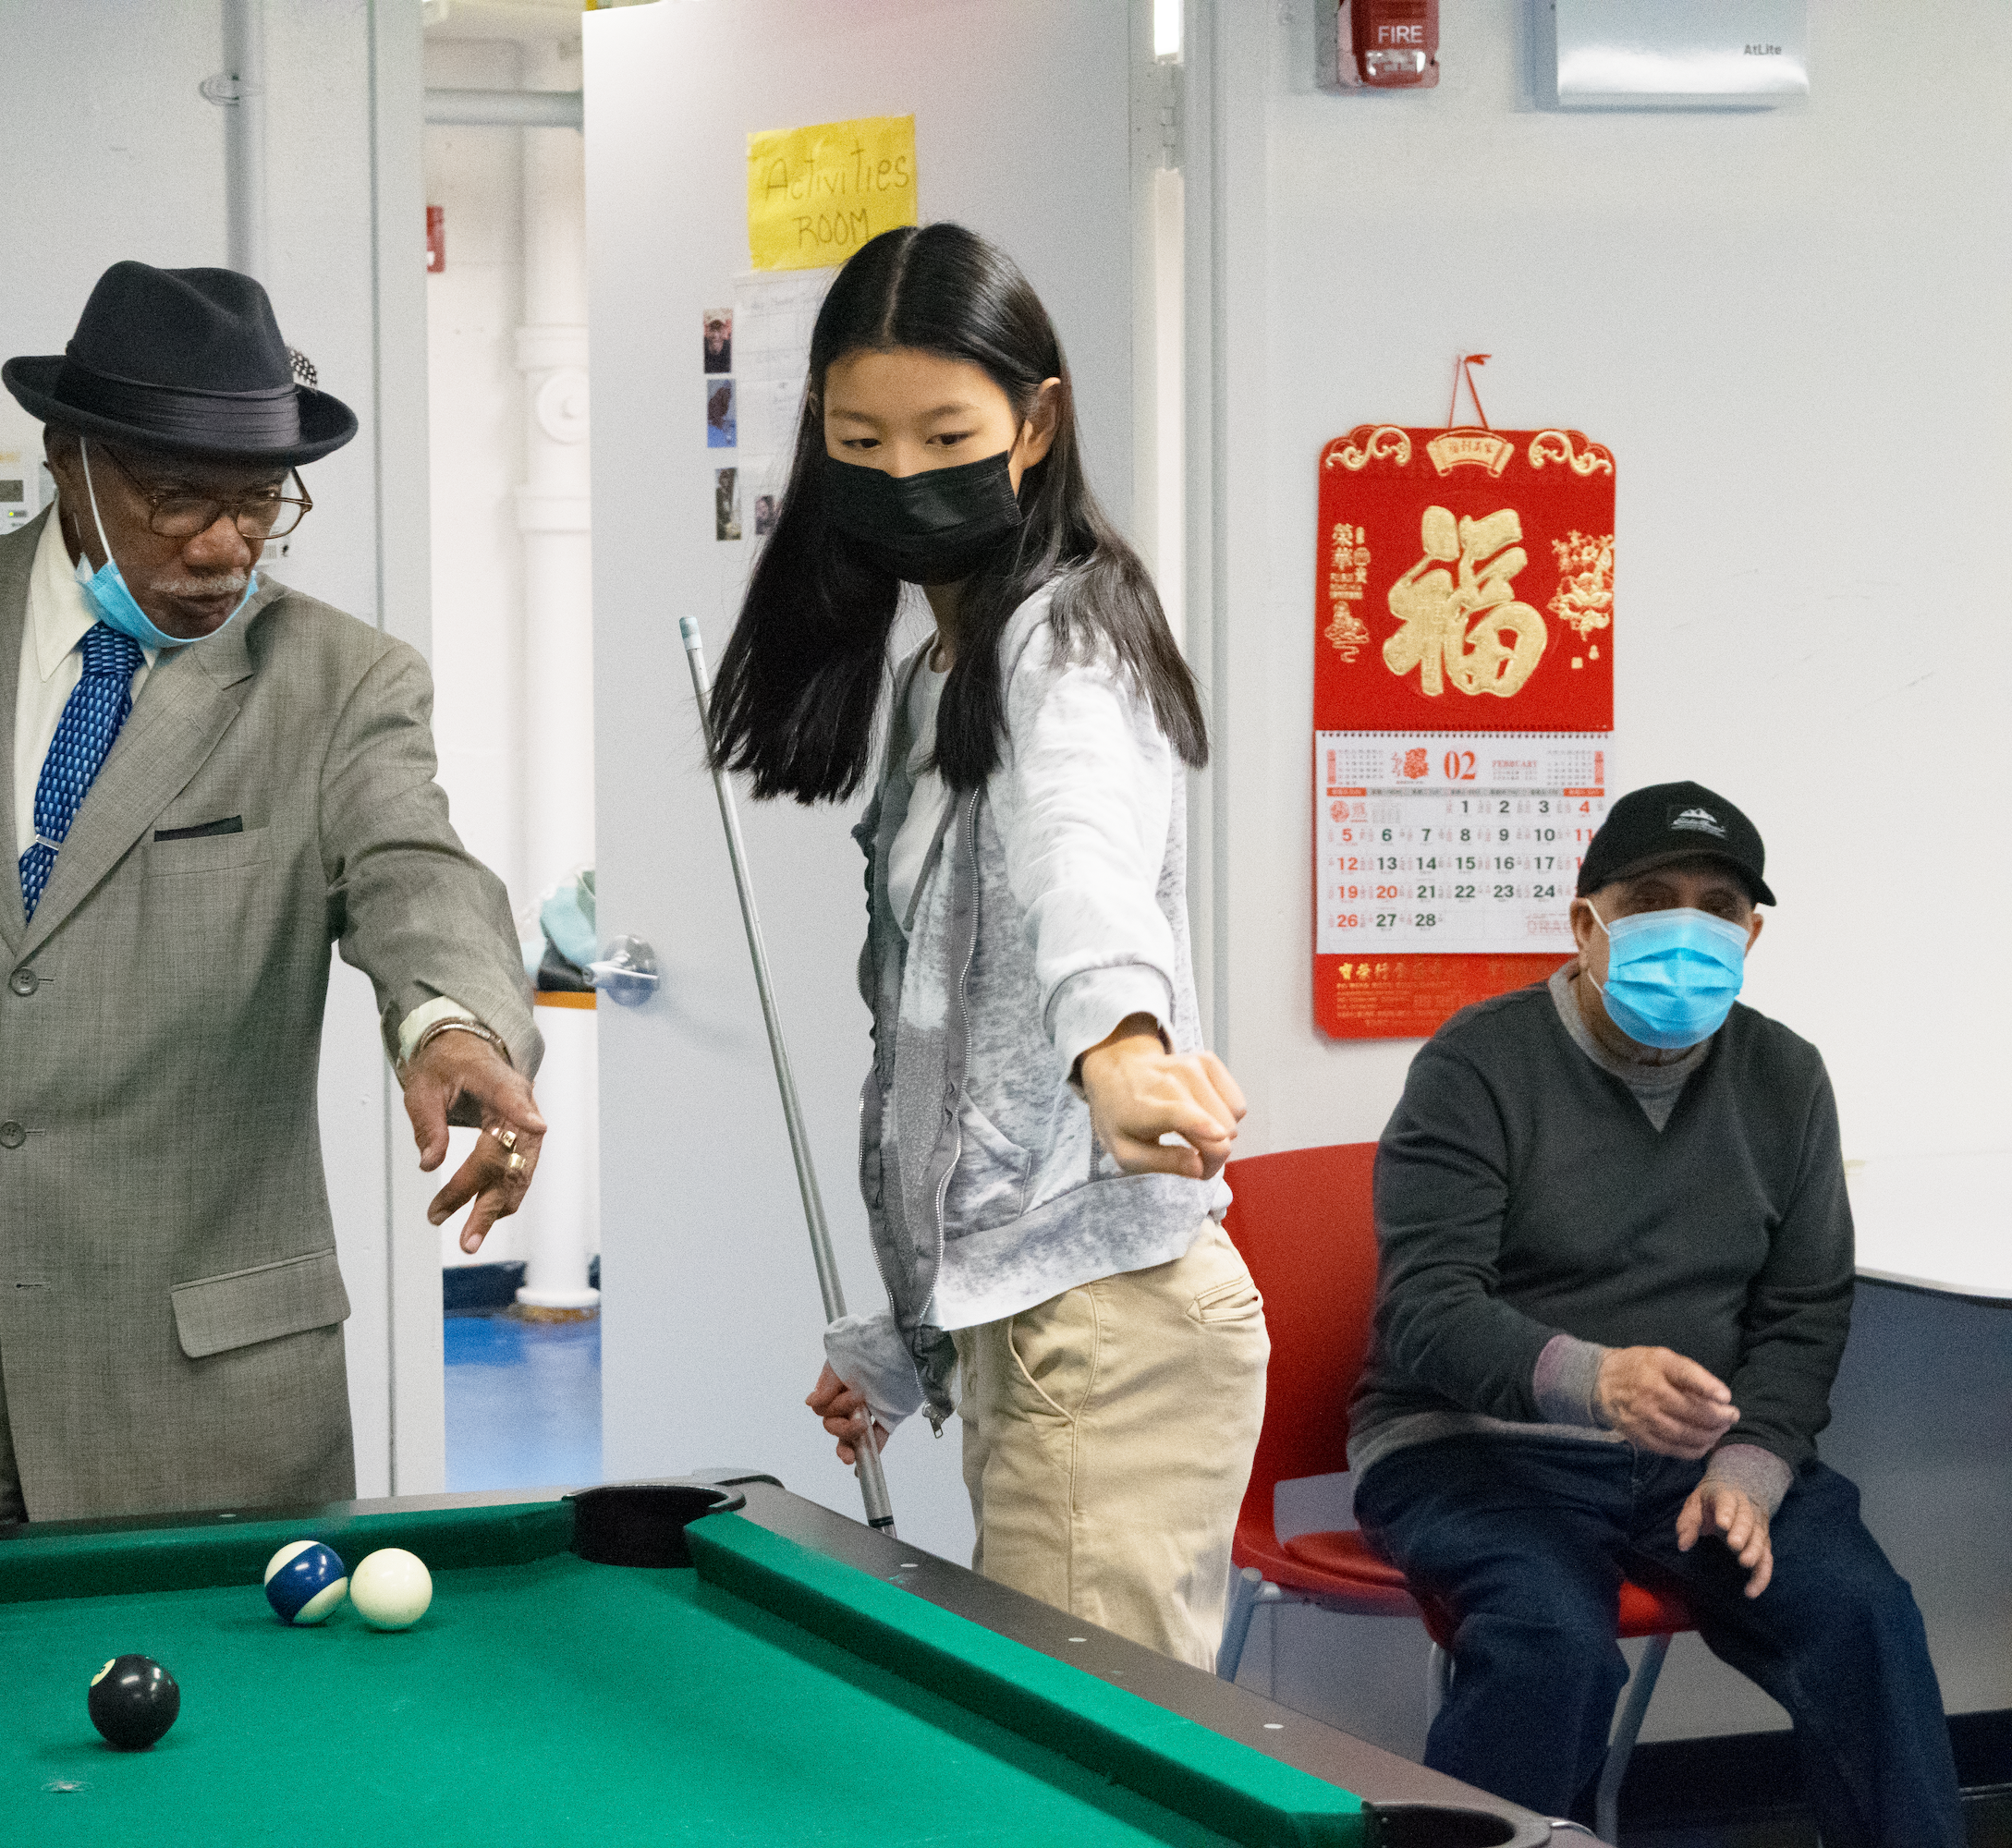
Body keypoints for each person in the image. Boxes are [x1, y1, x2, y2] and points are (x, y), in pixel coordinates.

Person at [0, 262, 546, 1539]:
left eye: (261, 504)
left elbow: (415, 867)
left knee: (221, 1744)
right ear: (66, 460)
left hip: (200, 1402)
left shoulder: (342, 682)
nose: (224, 545)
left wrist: (449, 1022)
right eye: (179, 496)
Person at [711, 223, 1263, 1670]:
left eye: (945, 432)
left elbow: (1081, 859)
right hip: (1032, 1332)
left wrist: (1123, 1047)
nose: (903, 475)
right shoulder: (931, 674)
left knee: (1104, 1792)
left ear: (1037, 421)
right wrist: (904, 1332)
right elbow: (941, 1064)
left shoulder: (1064, 644)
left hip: (1114, 1342)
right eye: (860, 440)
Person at [1352, 782, 1961, 1841]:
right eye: (1651, 896)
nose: (1689, 927)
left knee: (1863, 1614)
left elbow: (1805, 1310)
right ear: (1587, 921)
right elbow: (1427, 1311)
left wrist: (1752, 1471)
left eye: (1718, 905)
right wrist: (1599, 1379)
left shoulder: (1785, 1075)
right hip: (1478, 1446)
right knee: (1552, 1644)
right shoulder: (1476, 1064)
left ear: (1753, 933)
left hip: (1696, 1450)